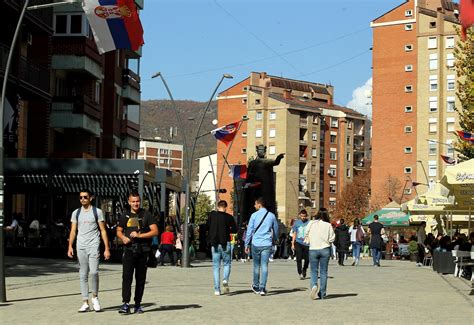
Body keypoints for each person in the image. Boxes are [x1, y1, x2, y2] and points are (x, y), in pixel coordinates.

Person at [67, 189, 110, 312]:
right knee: (83, 274)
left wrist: (106, 248)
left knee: (94, 272)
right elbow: (73, 230)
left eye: (85, 197)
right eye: (80, 197)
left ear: (91, 198)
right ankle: (85, 302)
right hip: (80, 246)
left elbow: (103, 230)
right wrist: (70, 246)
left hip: (93, 245)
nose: (82, 199)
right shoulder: (76, 213)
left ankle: (95, 297)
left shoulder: (97, 212)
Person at [117, 191, 158, 314]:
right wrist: (123, 237)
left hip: (143, 250)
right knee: (126, 277)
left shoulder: (146, 214)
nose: (136, 203)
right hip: (129, 250)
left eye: (137, 201)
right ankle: (125, 303)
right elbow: (119, 230)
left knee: (140, 279)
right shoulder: (125, 215)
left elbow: (155, 231)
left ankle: (138, 304)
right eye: (133, 201)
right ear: (129, 202)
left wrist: (140, 235)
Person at [244, 197, 279, 296]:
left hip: (256, 243)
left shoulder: (254, 216)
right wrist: (275, 239)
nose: (254, 206)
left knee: (256, 266)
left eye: (255, 204)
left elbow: (249, 231)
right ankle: (263, 287)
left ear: (259, 204)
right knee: (264, 266)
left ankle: (256, 285)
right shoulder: (271, 216)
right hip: (267, 244)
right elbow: (276, 229)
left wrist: (246, 244)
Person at [242, 144, 284, 219]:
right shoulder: (253, 163)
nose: (261, 152)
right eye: (260, 150)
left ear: (265, 151)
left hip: (265, 189)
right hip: (255, 189)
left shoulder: (266, 161)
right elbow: (249, 176)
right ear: (257, 151)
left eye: (263, 150)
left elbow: (275, 162)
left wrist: (279, 158)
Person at [206, 200, 237, 295]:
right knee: (227, 264)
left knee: (216, 267)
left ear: (217, 206)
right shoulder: (229, 217)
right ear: (226, 207)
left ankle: (217, 290)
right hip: (225, 243)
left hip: (214, 244)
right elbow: (235, 230)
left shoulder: (212, 215)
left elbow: (207, 227)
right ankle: (225, 279)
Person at [305, 207, 335, 300]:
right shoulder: (328, 225)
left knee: (313, 271)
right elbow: (332, 238)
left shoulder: (311, 223)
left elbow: (306, 233)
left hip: (313, 249)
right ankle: (322, 293)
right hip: (325, 249)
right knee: (323, 272)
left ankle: (314, 285)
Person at [291, 209, 310, 279]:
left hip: (307, 243)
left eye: (304, 216)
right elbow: (294, 233)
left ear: (306, 216)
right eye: (302, 216)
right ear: (299, 216)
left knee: (307, 259)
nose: (303, 218)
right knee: (298, 258)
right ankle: (300, 272)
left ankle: (304, 268)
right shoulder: (296, 223)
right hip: (298, 242)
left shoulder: (309, 223)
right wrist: (293, 244)